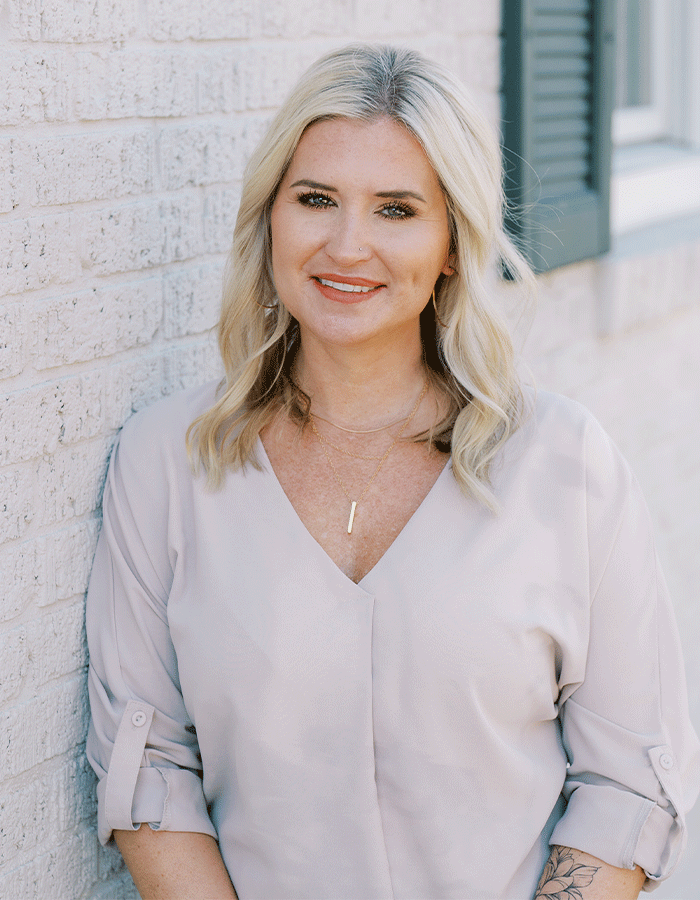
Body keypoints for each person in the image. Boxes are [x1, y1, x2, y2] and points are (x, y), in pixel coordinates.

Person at [86, 44, 699, 900]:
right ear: (271, 218)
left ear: (453, 243)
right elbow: (149, 772)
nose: (347, 245)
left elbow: (626, 784)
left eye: (397, 210)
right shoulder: (165, 462)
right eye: (316, 199)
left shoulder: (566, 466)